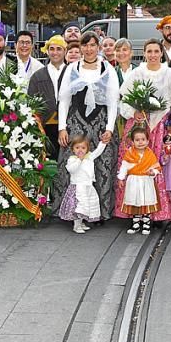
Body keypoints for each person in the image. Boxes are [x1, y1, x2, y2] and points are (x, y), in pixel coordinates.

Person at [115, 39, 171, 222]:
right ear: (144, 53)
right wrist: (135, 112)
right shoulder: (138, 72)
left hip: (161, 126)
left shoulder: (170, 73)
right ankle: (135, 211)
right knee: (134, 165)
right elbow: (123, 100)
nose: (153, 55)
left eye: (156, 51)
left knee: (155, 167)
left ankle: (156, 213)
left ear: (161, 53)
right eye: (149, 51)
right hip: (139, 127)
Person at [53, 33, 120, 220]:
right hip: (76, 123)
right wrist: (62, 127)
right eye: (85, 45)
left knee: (101, 165)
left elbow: (112, 101)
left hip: (101, 123)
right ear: (80, 47)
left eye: (92, 45)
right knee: (73, 164)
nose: (89, 49)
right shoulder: (72, 68)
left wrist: (109, 128)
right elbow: (64, 99)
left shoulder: (108, 69)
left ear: (98, 47)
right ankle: (71, 212)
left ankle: (100, 212)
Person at [56, 135, 108, 233]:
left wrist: (103, 143)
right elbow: (71, 169)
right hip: (78, 186)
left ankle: (81, 223)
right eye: (77, 148)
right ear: (73, 149)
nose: (80, 150)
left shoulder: (89, 157)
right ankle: (76, 225)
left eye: (83, 148)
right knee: (79, 206)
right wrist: (79, 160)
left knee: (87, 205)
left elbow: (98, 151)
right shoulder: (72, 159)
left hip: (88, 186)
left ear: (87, 149)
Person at [117, 126, 161, 235]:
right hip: (134, 181)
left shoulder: (150, 154)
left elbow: (156, 167)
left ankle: (146, 224)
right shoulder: (130, 154)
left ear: (147, 141)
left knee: (146, 200)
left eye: (143, 140)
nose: (140, 142)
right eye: (137, 140)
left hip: (146, 181)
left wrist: (153, 172)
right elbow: (124, 167)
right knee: (135, 201)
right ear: (132, 142)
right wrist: (121, 178)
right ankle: (135, 223)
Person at [28, 35, 67, 155]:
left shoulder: (72, 73)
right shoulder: (37, 76)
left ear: (65, 51)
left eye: (59, 49)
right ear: (47, 51)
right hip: (45, 127)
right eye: (52, 49)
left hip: (68, 127)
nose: (55, 52)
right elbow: (31, 104)